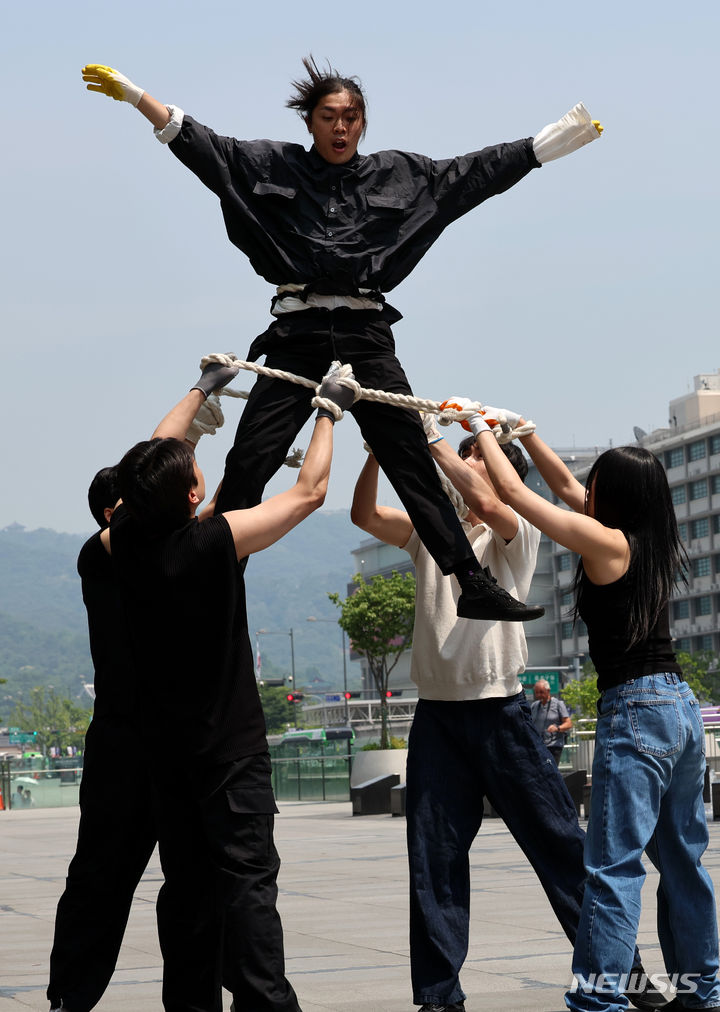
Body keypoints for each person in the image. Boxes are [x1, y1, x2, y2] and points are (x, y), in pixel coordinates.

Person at [78, 57, 602, 622]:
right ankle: (215, 577)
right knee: (253, 457)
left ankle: (471, 581)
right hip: (295, 330)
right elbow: (206, 150)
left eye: (352, 117)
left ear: (363, 124)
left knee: (407, 455)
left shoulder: (401, 174)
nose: (341, 127)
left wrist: (543, 146)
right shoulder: (269, 164)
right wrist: (139, 98)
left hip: (366, 333)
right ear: (310, 121)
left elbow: (473, 174)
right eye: (329, 116)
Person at [350, 420, 661, 1012]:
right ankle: (440, 997)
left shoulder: (515, 531)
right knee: (434, 861)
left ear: (494, 471)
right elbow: (364, 516)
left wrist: (421, 439)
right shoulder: (429, 532)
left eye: (474, 460)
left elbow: (489, 500)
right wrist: (374, 455)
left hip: (503, 715)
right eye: (463, 458)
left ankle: (627, 977)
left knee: (564, 850)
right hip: (437, 718)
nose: (463, 467)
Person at [449, 399, 720, 1012]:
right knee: (681, 860)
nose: (585, 489)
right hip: (679, 708)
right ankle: (705, 990)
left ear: (613, 494)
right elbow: (566, 486)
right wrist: (527, 433)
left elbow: (521, 498)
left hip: (637, 710)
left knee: (612, 866)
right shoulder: (647, 538)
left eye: (597, 482)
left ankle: (600, 1000)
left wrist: (482, 431)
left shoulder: (604, 542)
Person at [98, 360, 352, 1012]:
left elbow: (152, 453)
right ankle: (267, 1003)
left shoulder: (120, 542)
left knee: (185, 895)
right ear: (190, 498)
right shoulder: (210, 544)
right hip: (230, 761)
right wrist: (329, 410)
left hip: (167, 762)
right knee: (246, 891)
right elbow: (308, 494)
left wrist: (201, 391)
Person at [47, 464, 159, 1012]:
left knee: (210, 883)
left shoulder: (187, 548)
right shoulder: (101, 556)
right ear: (115, 516)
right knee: (100, 876)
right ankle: (70, 995)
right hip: (122, 744)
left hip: (186, 740)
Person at [531, 677, 573, 764]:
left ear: (548, 691)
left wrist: (557, 728)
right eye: (537, 693)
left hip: (554, 745)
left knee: (551, 771)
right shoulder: (534, 706)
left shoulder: (558, 704)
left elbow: (568, 723)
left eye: (541, 692)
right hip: (538, 746)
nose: (539, 695)